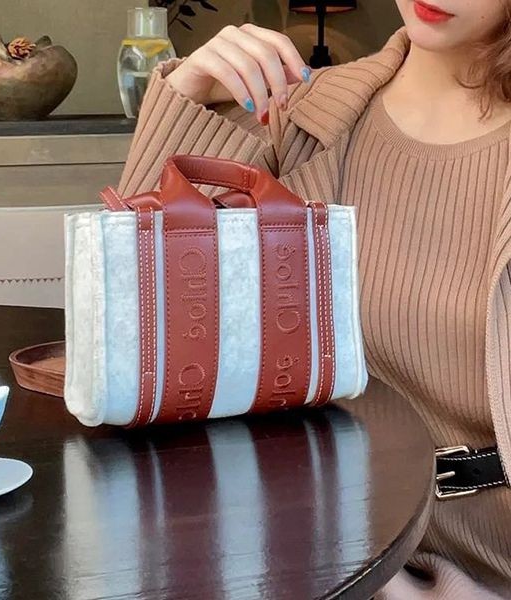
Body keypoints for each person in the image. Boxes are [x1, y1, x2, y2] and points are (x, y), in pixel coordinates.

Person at [118, 1, 511, 597]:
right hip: (308, 548)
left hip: (480, 569)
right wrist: (188, 94)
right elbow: (138, 340)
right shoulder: (299, 113)